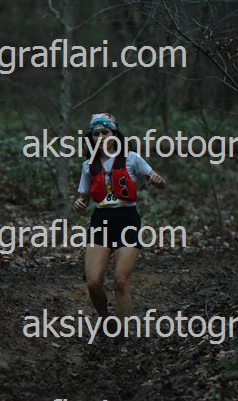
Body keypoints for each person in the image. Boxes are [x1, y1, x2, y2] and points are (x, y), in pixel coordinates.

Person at [73, 113, 165, 347]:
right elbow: (84, 196)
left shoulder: (131, 158)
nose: (101, 137)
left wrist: (157, 180)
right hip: (101, 220)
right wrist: (80, 203)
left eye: (106, 132)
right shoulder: (88, 164)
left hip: (127, 219)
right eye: (96, 134)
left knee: (120, 281)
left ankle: (122, 336)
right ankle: (107, 322)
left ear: (114, 134)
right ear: (91, 138)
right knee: (93, 282)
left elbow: (159, 181)